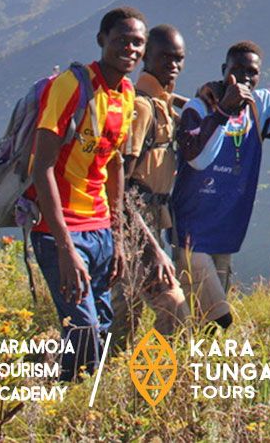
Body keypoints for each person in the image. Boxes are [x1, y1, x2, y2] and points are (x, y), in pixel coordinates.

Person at [28, 6, 145, 380]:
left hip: (99, 231)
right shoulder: (71, 86)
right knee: (85, 333)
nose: (130, 48)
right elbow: (41, 166)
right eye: (121, 40)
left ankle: (58, 391)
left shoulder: (126, 95)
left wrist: (118, 238)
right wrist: (65, 248)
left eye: (137, 42)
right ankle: (68, 411)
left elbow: (113, 165)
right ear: (101, 40)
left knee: (103, 328)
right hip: (58, 230)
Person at [171, 40, 270, 328]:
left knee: (203, 321)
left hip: (226, 232)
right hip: (190, 234)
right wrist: (224, 110)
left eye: (252, 72)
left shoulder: (259, 105)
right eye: (238, 70)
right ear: (224, 70)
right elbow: (197, 158)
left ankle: (197, 367)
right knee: (220, 316)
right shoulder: (198, 108)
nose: (245, 77)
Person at [111, 24, 188, 340]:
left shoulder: (162, 104)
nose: (173, 65)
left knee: (126, 307)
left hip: (150, 219)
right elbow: (120, 183)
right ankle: (156, 382)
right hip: (134, 221)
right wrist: (149, 246)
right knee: (174, 306)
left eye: (179, 59)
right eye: (165, 57)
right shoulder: (142, 108)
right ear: (146, 57)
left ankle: (102, 375)